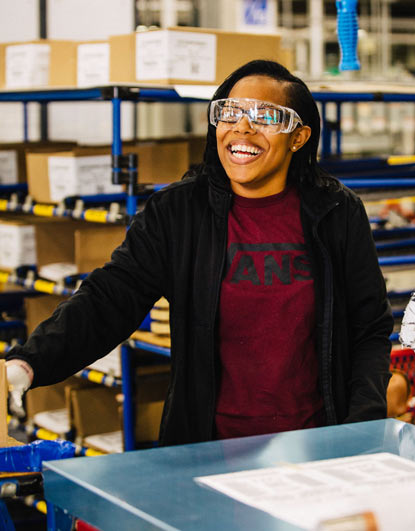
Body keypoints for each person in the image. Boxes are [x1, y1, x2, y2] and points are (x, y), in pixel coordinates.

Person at [6, 60, 393, 446]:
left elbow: (369, 329)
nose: (243, 127)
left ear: (298, 137)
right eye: (230, 112)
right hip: (207, 450)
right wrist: (29, 363)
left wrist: (360, 429)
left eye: (266, 116)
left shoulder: (337, 213)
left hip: (317, 445)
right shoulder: (179, 213)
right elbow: (110, 298)